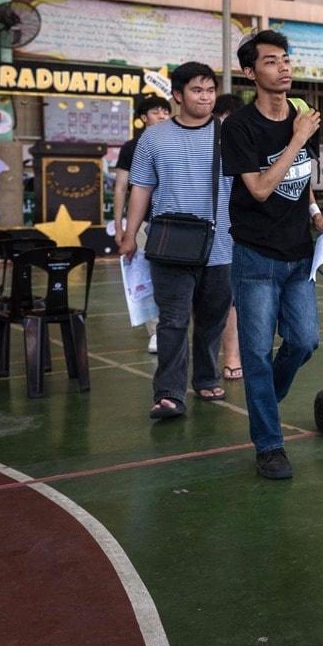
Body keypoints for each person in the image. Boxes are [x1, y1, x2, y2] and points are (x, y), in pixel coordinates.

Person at [222, 30, 323, 479]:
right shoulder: (239, 127)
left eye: (286, 59)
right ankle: (270, 446)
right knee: (255, 353)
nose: (284, 67)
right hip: (255, 257)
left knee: (305, 341)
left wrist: (315, 215)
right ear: (250, 73)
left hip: (298, 256)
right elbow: (260, 188)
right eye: (271, 61)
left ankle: (265, 395)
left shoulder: (302, 113)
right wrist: (295, 139)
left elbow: (303, 177)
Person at [118, 63, 233, 419]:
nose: (205, 97)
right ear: (178, 96)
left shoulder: (228, 134)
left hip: (222, 245)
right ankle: (168, 393)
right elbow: (142, 188)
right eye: (197, 91)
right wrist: (129, 235)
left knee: (212, 319)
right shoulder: (153, 139)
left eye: (210, 90)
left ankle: (206, 376)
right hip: (170, 244)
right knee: (173, 320)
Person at [114, 95, 171, 354]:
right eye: (156, 111)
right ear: (143, 117)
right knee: (148, 279)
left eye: (165, 111)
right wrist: (121, 227)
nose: (162, 115)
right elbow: (121, 188)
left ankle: (174, 327)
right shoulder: (131, 147)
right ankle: (156, 331)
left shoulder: (176, 143)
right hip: (142, 223)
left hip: (173, 223)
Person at [214, 92, 245, 381]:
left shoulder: (246, 146)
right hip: (203, 235)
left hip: (236, 234)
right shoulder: (206, 147)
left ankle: (232, 357)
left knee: (233, 300)